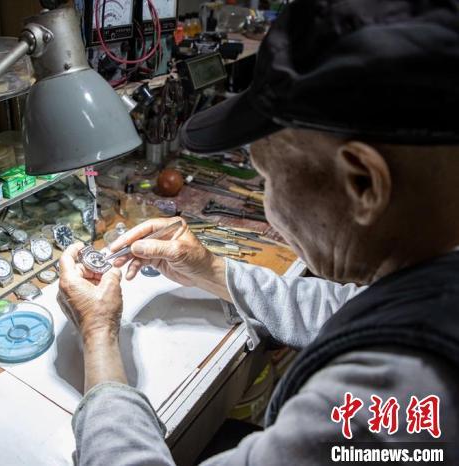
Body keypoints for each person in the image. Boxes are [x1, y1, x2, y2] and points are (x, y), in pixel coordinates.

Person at [57, 0, 459, 464]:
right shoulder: (435, 276)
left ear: (363, 183)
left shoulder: (395, 397)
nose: (267, 202)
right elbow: (349, 309)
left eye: (267, 178)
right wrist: (212, 269)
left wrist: (99, 336)